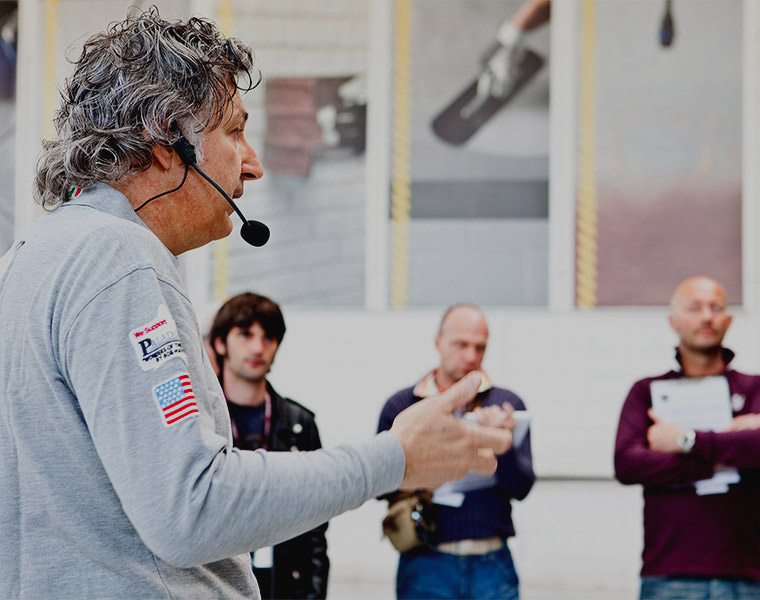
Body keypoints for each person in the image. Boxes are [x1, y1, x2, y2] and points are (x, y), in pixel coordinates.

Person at [0, 10, 512, 599]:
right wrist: (393, 458)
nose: (254, 163)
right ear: (166, 138)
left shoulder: (27, 258)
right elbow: (193, 504)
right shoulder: (119, 259)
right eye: (234, 132)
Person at [614, 276, 760, 600]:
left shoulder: (757, 389)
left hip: (744, 577)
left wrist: (686, 441)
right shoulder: (646, 392)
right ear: (673, 321)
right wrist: (726, 454)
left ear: (729, 320)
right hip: (668, 576)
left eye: (716, 307)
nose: (707, 316)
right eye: (694, 308)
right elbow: (627, 464)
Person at [377, 304, 535, 600]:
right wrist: (423, 471)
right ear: (438, 342)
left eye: (480, 347)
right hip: (426, 560)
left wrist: (501, 444)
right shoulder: (403, 406)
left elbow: (522, 487)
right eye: (461, 345)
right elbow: (379, 486)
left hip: (491, 560)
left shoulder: (507, 404)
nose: (471, 356)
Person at [209, 293, 329, 599]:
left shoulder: (299, 423)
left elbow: (316, 528)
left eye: (268, 337)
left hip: (284, 582)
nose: (258, 347)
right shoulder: (201, 420)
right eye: (245, 334)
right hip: (216, 580)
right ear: (220, 343)